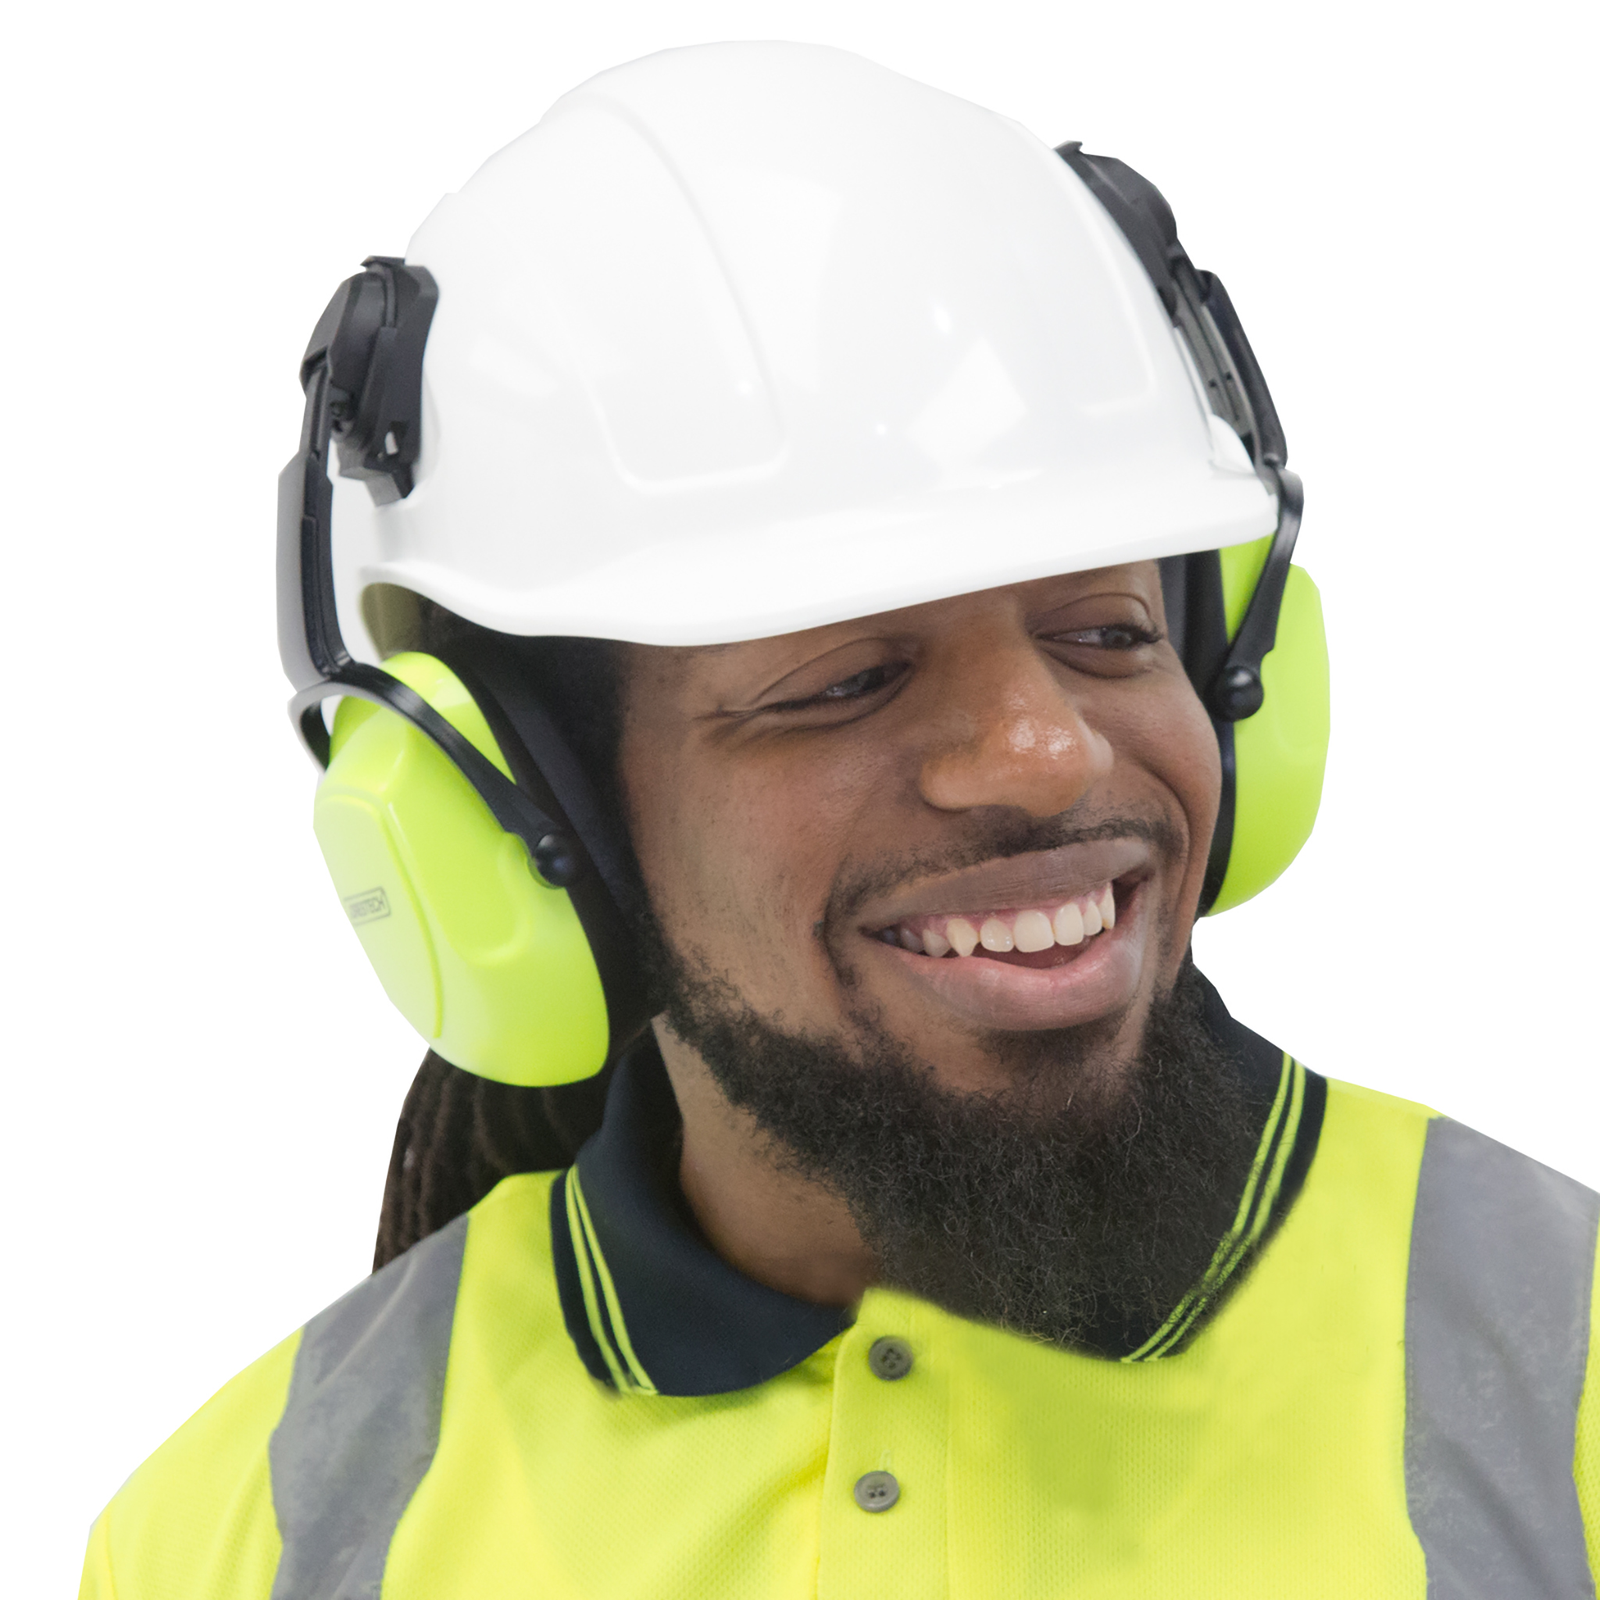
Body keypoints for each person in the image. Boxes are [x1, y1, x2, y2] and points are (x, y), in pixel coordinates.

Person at [80, 42, 1600, 1600]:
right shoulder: (240, 1540)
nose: (1043, 753)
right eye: (847, 678)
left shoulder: (1568, 1380)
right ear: (534, 812)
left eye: (1107, 633)